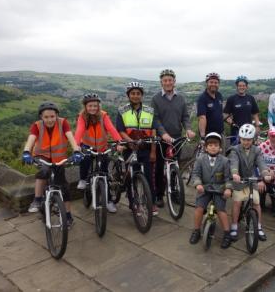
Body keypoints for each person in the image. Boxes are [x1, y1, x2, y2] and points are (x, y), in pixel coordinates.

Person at [22, 102, 82, 228]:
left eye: (52, 116)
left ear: (57, 115)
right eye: (46, 117)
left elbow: (70, 137)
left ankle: (68, 215)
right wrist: (26, 152)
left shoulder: (63, 123)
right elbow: (31, 139)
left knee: (64, 187)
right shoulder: (37, 126)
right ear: (41, 117)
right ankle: (37, 199)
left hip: (59, 158)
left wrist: (76, 150)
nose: (50, 120)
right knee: (43, 172)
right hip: (41, 156)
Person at [151, 69, 195, 208]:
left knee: (175, 165)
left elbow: (185, 117)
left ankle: (175, 192)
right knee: (159, 167)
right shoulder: (156, 99)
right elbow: (156, 120)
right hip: (161, 139)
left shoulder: (180, 98)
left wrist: (188, 129)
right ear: (161, 82)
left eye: (170, 80)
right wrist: (163, 133)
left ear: (174, 82)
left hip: (176, 138)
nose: (168, 82)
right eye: (165, 80)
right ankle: (159, 195)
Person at [74, 93, 123, 213]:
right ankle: (83, 179)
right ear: (85, 106)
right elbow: (79, 130)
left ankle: (108, 200)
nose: (93, 108)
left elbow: (111, 128)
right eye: (90, 106)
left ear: (98, 106)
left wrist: (119, 142)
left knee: (104, 174)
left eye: (95, 106)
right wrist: (76, 146)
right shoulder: (82, 117)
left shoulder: (103, 115)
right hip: (87, 145)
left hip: (102, 147)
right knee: (84, 160)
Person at [116, 82, 159, 215]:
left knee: (148, 176)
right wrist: (130, 141)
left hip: (145, 148)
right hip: (130, 148)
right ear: (128, 95)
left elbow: (153, 131)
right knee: (131, 176)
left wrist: (153, 151)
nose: (135, 96)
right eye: (133, 93)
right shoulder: (122, 111)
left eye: (138, 93)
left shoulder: (150, 111)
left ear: (142, 95)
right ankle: (133, 202)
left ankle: (150, 202)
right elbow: (121, 130)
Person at [189, 132, 233, 248]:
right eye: (210, 145)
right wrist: (198, 184)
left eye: (216, 145)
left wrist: (228, 188)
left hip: (219, 189)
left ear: (220, 148)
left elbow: (229, 178)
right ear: (206, 147)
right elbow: (196, 174)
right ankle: (196, 230)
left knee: (221, 210)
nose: (213, 147)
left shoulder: (224, 161)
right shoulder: (200, 160)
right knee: (199, 208)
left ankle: (227, 234)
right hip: (204, 189)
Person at [228, 124, 271, 241]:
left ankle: (259, 226)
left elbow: (261, 163)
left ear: (253, 139)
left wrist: (265, 174)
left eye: (248, 140)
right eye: (243, 139)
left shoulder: (257, 150)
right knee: (237, 202)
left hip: (252, 181)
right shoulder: (235, 150)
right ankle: (234, 226)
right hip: (239, 181)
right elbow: (234, 163)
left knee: (256, 203)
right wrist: (235, 173)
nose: (246, 142)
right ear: (240, 139)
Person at [223, 75, 261, 145]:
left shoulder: (251, 98)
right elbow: (225, 114)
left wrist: (257, 126)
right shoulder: (231, 99)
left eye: (243, 85)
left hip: (249, 130)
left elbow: (255, 114)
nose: (241, 87)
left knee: (249, 151)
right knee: (235, 151)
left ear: (246, 87)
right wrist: (232, 123)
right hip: (236, 130)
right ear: (237, 87)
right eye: (240, 85)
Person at [196, 72, 224, 140]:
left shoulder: (219, 95)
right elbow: (202, 118)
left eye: (216, 82)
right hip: (208, 135)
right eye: (211, 82)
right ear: (207, 83)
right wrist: (203, 136)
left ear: (218, 84)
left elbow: (220, 113)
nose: (213, 84)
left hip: (220, 133)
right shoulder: (202, 98)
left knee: (222, 150)